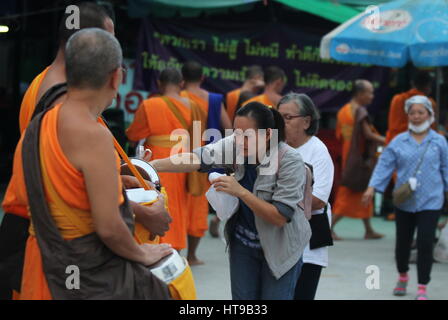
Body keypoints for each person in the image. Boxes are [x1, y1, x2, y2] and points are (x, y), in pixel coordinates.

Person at [16, 28, 173, 299]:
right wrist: (141, 253)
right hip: (76, 268)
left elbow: (67, 187)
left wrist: (117, 179)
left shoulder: (42, 121)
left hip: (40, 258)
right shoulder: (93, 133)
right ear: (115, 77)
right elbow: (109, 228)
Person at [0, 2, 116, 300]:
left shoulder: (44, 82)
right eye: (108, 41)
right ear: (88, 43)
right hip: (58, 246)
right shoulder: (64, 101)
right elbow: (62, 192)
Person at [150, 102, 311, 300]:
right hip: (243, 243)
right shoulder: (234, 145)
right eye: (236, 133)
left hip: (281, 247)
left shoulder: (289, 160)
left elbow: (279, 217)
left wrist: (241, 192)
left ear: (268, 134)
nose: (239, 140)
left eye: (247, 136)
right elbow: (196, 159)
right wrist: (151, 166)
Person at [363, 95, 448, 301]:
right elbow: (385, 165)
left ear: (430, 115)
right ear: (408, 115)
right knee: (403, 243)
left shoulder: (439, 141)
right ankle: (402, 276)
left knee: (425, 242)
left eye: (421, 112)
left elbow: (446, 168)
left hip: (431, 200)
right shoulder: (398, 141)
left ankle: (422, 287)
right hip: (404, 202)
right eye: (412, 112)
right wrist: (372, 187)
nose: (416, 116)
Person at [126, 68, 204, 252]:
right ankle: (175, 247)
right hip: (183, 160)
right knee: (178, 205)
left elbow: (134, 134)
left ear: (159, 83)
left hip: (157, 160)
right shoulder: (195, 107)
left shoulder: (151, 105)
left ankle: (160, 245)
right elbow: (199, 138)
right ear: (181, 84)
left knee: (158, 198)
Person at [278, 93, 334, 300]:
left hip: (310, 234)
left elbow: (319, 199)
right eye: (279, 116)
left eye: (287, 117)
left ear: (306, 121)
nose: (281, 122)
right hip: (278, 235)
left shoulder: (318, 151)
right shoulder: (274, 148)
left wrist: (278, 203)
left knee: (302, 294)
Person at [180, 61, 231, 265]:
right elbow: (228, 127)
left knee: (177, 201)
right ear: (202, 78)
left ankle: (174, 250)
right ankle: (191, 255)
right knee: (198, 205)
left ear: (182, 79)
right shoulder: (214, 99)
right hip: (204, 157)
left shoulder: (178, 99)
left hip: (180, 155)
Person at [332, 80, 385, 240]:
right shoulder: (359, 111)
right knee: (348, 194)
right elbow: (368, 134)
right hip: (357, 160)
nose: (372, 96)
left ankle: (368, 229)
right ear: (360, 94)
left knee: (364, 192)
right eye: (370, 92)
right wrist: (390, 140)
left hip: (349, 155)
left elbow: (339, 136)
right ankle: (329, 227)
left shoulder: (343, 111)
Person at [386, 71, 437, 145]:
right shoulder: (429, 103)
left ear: (412, 83)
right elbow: (431, 129)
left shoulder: (397, 99)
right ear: (428, 86)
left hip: (394, 144)